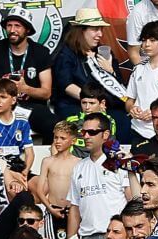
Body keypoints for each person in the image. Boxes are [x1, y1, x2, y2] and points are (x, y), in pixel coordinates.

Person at [0, 6, 57, 142]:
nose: (12, 30)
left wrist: (25, 89)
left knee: (54, 126)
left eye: (17, 26)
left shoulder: (40, 52)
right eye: (9, 25)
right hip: (1, 106)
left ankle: (48, 162)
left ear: (28, 29)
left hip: (31, 107)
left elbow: (46, 92)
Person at [67, 112, 139, 239]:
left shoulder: (120, 164)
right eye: (83, 132)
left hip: (116, 236)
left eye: (92, 132)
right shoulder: (78, 168)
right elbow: (74, 208)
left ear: (106, 134)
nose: (86, 136)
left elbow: (132, 202)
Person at [52, 8, 129, 143]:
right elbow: (66, 85)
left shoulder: (104, 53)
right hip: (75, 104)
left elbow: (119, 87)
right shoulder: (67, 54)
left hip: (105, 105)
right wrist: (92, 101)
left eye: (101, 29)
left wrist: (111, 70)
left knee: (122, 120)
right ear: (81, 31)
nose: (100, 34)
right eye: (95, 29)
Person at [35, 121, 80, 239]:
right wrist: (49, 208)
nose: (58, 141)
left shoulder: (78, 163)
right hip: (53, 209)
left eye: (63, 138)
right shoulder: (48, 161)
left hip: (72, 211)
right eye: (56, 137)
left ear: (73, 140)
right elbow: (39, 190)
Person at [0, 78, 34, 179]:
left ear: (14, 100)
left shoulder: (22, 121)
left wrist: (25, 171)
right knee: (15, 189)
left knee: (41, 185)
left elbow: (30, 152)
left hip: (19, 168)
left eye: (3, 97)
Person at [65, 86, 115, 156]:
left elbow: (109, 146)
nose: (87, 107)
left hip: (98, 161)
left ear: (102, 103)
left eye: (92, 103)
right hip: (74, 161)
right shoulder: (71, 120)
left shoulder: (109, 121)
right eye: (84, 103)